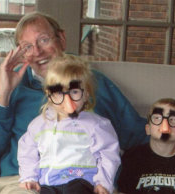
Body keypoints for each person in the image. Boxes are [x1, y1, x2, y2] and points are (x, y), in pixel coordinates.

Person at [0, 11, 148, 193]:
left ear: (61, 39)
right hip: (25, 181)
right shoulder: (12, 86)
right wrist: (4, 92)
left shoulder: (93, 81)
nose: (38, 52)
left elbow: (136, 134)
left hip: (88, 183)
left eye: (43, 40)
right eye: (28, 47)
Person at [17, 55, 121, 194]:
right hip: (48, 183)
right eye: (59, 93)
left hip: (81, 182)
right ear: (49, 95)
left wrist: (103, 182)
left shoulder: (96, 125)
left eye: (74, 92)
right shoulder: (39, 124)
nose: (68, 100)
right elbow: (26, 151)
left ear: (86, 94)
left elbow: (109, 155)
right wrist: (29, 177)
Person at [117, 98, 175, 193]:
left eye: (174, 120)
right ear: (148, 129)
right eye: (157, 118)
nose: (165, 124)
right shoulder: (133, 156)